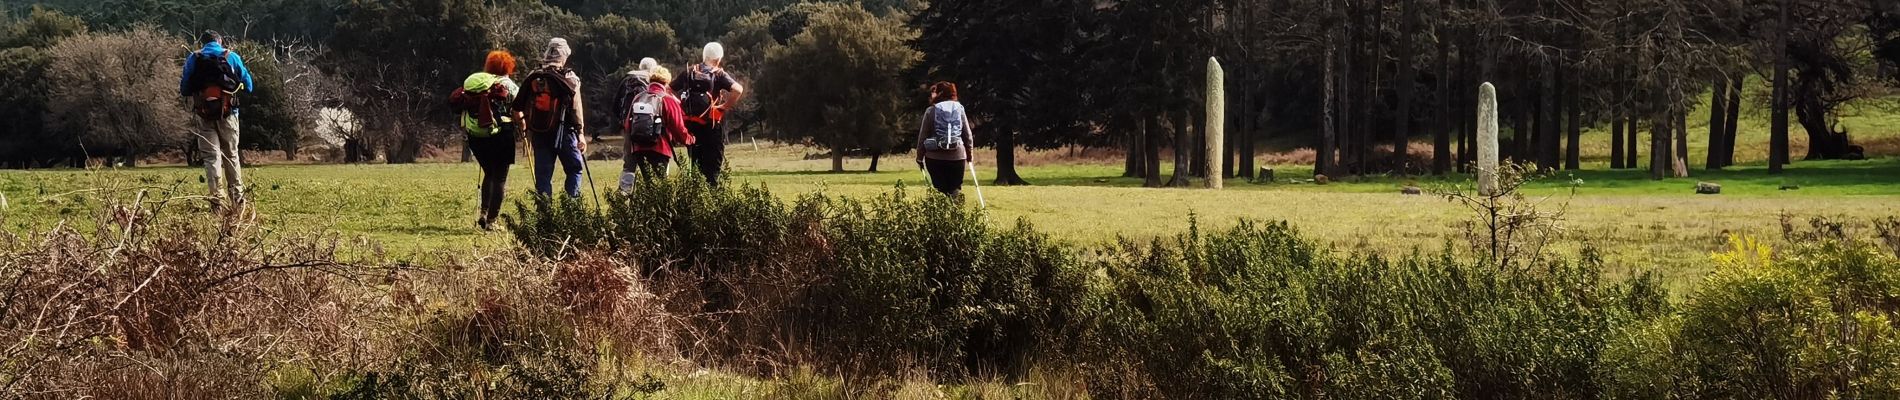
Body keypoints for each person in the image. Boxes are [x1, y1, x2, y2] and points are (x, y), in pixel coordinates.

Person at [178, 30, 255, 209]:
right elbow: (249, 86)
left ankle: (217, 201)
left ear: (202, 43)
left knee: (211, 158)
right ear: (220, 41)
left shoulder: (193, 58)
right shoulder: (232, 56)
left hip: (203, 115)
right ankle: (237, 201)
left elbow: (184, 89)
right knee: (231, 156)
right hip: (229, 114)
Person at [515, 38, 589, 198]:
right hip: (565, 132)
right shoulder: (568, 77)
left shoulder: (533, 76)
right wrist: (581, 133)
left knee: (543, 176)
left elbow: (519, 106)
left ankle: (545, 213)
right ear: (563, 56)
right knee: (574, 169)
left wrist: (526, 129)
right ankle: (571, 208)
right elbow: (576, 108)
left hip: (539, 133)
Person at [457, 50, 521, 231]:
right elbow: (518, 111)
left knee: (489, 173)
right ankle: (492, 222)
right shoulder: (509, 85)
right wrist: (523, 127)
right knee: (500, 177)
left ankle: (484, 213)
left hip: (477, 136)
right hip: (502, 135)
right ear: (508, 67)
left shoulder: (478, 84)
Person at [672, 42, 745, 187]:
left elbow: (668, 89)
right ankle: (712, 200)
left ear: (704, 56)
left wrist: (680, 105)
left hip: (691, 126)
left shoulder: (689, 71)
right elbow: (738, 89)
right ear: (718, 59)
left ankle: (697, 200)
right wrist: (723, 107)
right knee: (712, 168)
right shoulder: (718, 74)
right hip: (712, 125)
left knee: (696, 165)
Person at [615, 65, 693, 191]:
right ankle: (659, 210)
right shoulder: (667, 99)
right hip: (660, 148)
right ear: (666, 82)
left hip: (639, 149)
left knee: (649, 184)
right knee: (660, 188)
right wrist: (689, 139)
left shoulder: (638, 97)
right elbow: (678, 128)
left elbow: (628, 125)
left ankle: (645, 208)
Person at [916, 81, 974, 197]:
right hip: (957, 156)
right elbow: (967, 134)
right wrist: (969, 153)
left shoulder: (931, 111)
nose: (932, 95)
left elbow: (923, 136)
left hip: (934, 157)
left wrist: (919, 157)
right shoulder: (959, 109)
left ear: (939, 94)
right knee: (955, 189)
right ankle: (956, 212)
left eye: (934, 92)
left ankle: (941, 213)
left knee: (939, 190)